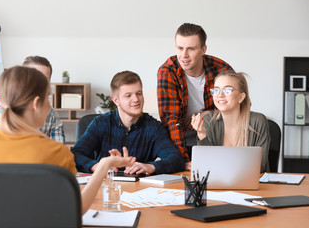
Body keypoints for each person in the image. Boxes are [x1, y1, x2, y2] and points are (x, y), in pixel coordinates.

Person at [0, 66, 135, 215]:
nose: (49, 106)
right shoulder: (55, 152)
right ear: (36, 103)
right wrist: (105, 165)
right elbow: (76, 209)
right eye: (48, 98)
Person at [72, 70, 185, 174]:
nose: (136, 99)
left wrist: (151, 167)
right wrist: (98, 166)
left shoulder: (154, 127)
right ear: (116, 100)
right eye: (128, 95)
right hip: (106, 187)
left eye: (139, 93)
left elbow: (175, 159)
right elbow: (76, 154)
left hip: (139, 191)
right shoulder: (100, 123)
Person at [157, 23, 234, 170]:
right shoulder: (168, 71)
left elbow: (238, 106)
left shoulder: (221, 69)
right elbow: (171, 120)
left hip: (214, 136)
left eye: (191, 49)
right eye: (180, 48)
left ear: (203, 50)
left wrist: (211, 113)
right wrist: (184, 161)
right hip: (179, 138)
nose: (184, 55)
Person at [191, 71, 270, 172]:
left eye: (227, 90)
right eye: (216, 90)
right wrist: (202, 134)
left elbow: (260, 167)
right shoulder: (208, 121)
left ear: (241, 97)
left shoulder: (258, 121)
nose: (220, 95)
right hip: (218, 184)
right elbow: (207, 166)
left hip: (253, 184)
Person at [0, 56, 65, 144]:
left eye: (44, 80)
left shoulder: (52, 115)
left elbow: (58, 152)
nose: (40, 84)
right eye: (34, 78)